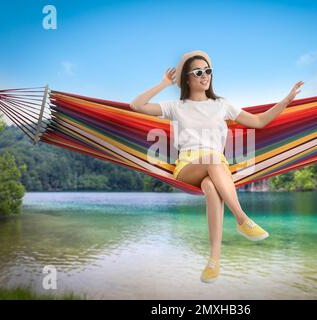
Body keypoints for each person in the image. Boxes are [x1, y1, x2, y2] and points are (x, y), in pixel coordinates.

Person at [130, 50, 303, 283]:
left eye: (208, 71)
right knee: (212, 159)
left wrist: (286, 100)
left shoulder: (222, 105)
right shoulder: (175, 106)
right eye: (198, 72)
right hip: (187, 167)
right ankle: (242, 219)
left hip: (218, 167)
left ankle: (214, 261)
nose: (205, 75)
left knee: (212, 188)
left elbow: (259, 121)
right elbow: (136, 105)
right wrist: (163, 83)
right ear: (187, 79)